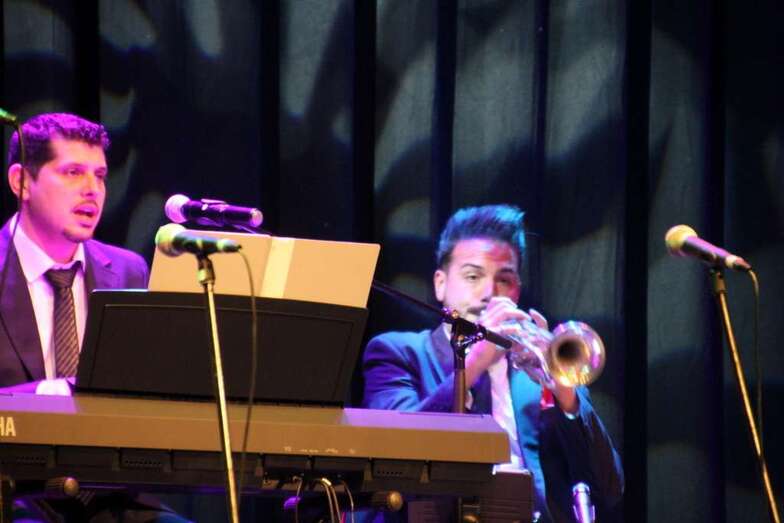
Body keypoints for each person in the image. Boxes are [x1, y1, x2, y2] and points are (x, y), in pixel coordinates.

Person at [362, 204, 624, 522]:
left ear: (517, 291)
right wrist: (475, 361)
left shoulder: (538, 368)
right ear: (440, 284)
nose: (489, 292)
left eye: (504, 279)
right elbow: (396, 456)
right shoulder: (398, 353)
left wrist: (565, 393)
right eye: (473, 276)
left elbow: (609, 487)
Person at [0, 113, 185, 521]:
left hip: (113, 498)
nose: (92, 190)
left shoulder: (129, 270)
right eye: (72, 172)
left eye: (99, 176)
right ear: (22, 182)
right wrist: (49, 396)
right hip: (13, 495)